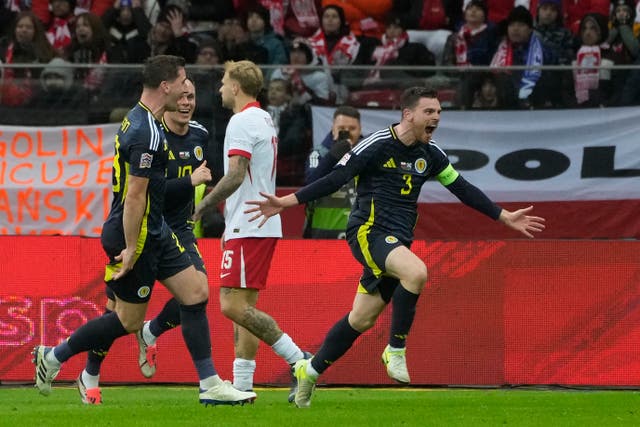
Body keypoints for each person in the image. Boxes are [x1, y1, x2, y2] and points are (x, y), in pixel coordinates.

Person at [245, 86, 546, 408]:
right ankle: (396, 349)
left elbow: (462, 188)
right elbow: (336, 178)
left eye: (439, 113)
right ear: (408, 114)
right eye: (429, 112)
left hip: (397, 241)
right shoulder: (376, 144)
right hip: (367, 231)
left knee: (361, 320)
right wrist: (286, 202)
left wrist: (503, 216)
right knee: (416, 272)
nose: (436, 118)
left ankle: (310, 370)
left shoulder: (431, 154)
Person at [32, 55, 256, 406]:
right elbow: (135, 196)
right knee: (126, 320)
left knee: (196, 293)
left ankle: (210, 383)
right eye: (182, 82)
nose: (186, 89)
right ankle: (53, 356)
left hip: (157, 228)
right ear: (165, 86)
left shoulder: (139, 120)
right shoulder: (147, 131)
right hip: (135, 234)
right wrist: (134, 247)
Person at [75, 78, 214, 403]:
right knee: (115, 310)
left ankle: (151, 332)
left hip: (178, 229)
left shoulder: (201, 135)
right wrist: (188, 182)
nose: (186, 102)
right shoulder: (151, 136)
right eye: (181, 96)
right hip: (141, 228)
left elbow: (206, 177)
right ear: (167, 99)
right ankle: (89, 374)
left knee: (197, 294)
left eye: (191, 97)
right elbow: (148, 192)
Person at [192, 60, 310, 402]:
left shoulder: (242, 121)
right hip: (257, 222)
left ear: (235, 87)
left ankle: (300, 361)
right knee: (243, 308)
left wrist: (203, 205)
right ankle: (242, 386)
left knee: (230, 305)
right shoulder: (263, 117)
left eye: (223, 83)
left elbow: (235, 174)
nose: (219, 90)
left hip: (248, 222)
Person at [303, 105, 362, 238]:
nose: (347, 132)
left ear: (360, 129)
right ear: (333, 128)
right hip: (323, 231)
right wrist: (333, 156)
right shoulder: (318, 153)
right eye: (341, 128)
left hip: (358, 232)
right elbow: (310, 183)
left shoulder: (369, 152)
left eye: (352, 128)